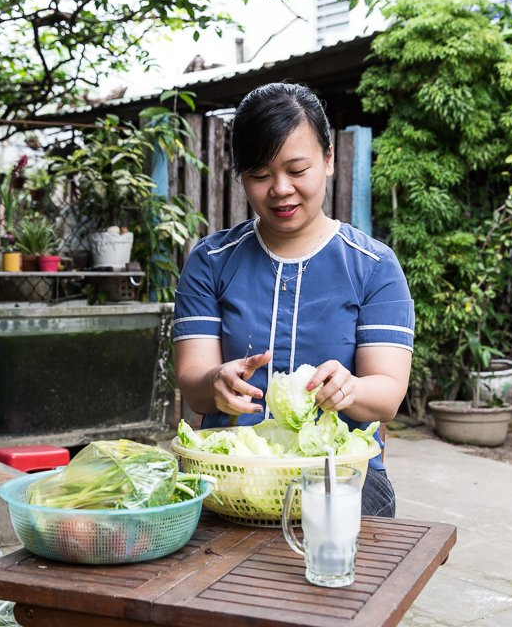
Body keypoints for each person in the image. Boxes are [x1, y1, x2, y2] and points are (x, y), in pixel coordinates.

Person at [173, 82, 414, 517]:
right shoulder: (210, 262)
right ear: (241, 176)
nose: (281, 189)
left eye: (297, 170)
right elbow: (193, 383)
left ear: (328, 160)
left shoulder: (374, 266)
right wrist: (216, 382)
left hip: (342, 477)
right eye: (261, 176)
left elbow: (388, 395)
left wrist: (351, 388)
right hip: (229, 472)